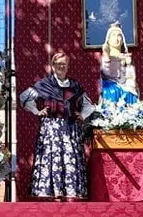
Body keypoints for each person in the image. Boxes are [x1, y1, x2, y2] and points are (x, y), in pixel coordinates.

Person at [19, 52, 98, 200]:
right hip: (51, 127)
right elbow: (24, 97)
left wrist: (82, 115)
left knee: (70, 156)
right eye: (58, 64)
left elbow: (88, 105)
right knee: (51, 156)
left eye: (64, 64)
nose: (61, 67)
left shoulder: (75, 86)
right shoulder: (44, 84)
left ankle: (70, 191)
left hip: (70, 127)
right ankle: (50, 191)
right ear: (53, 66)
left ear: (68, 66)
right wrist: (37, 111)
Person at [99, 22, 139, 105]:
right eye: (113, 35)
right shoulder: (106, 57)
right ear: (108, 39)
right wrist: (106, 55)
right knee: (113, 91)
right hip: (111, 85)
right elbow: (106, 74)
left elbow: (131, 76)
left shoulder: (126, 57)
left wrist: (129, 65)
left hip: (126, 85)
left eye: (119, 36)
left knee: (131, 93)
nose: (116, 38)